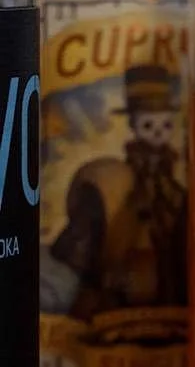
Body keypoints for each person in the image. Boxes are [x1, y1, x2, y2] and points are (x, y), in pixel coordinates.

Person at [46, 64, 187, 320]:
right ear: (133, 125)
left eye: (165, 125)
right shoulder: (120, 178)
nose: (157, 133)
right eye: (148, 125)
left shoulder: (169, 178)